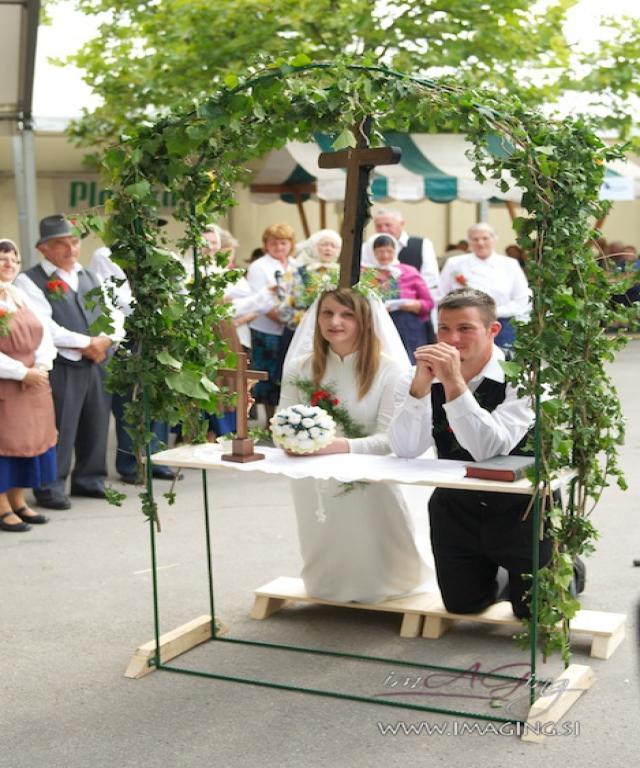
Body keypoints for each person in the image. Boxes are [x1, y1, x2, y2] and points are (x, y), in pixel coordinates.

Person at [388, 288, 551, 619]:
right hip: (455, 506)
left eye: (465, 328)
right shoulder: (415, 375)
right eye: (444, 328)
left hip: (521, 508)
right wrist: (419, 390)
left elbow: (488, 450)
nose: (452, 339)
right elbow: (406, 449)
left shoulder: (524, 376)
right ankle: (497, 574)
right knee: (464, 605)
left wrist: (454, 384)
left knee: (533, 612)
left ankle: (564, 565)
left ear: (493, 330)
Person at [278, 288, 433, 603]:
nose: (335, 322)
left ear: (365, 321)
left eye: (347, 315)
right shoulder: (299, 367)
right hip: (312, 476)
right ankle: (326, 585)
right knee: (322, 535)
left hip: (367, 476)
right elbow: (283, 419)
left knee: (369, 543)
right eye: (327, 313)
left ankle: (387, 583)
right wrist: (290, 440)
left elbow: (388, 439)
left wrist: (332, 446)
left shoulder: (389, 369)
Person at [15, 215, 124, 509]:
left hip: (99, 361)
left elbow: (114, 314)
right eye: (61, 244)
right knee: (60, 426)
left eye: (74, 242)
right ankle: (50, 486)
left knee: (96, 422)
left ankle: (90, 479)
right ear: (43, 248)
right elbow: (43, 325)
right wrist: (87, 343)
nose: (71, 249)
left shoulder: (91, 276)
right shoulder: (29, 280)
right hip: (63, 364)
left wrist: (106, 339)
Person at [89, 246, 179, 484]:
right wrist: (150, 304)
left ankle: (157, 459)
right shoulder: (106, 254)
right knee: (129, 401)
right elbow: (114, 296)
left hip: (156, 330)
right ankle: (132, 462)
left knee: (158, 395)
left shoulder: (158, 253)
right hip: (126, 332)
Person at [0, 239, 57, 531]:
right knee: (4, 446)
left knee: (27, 443)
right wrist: (21, 372)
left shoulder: (19, 295)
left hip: (34, 382)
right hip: (7, 382)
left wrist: (42, 365)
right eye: (2, 258)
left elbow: (44, 334)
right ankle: (1, 507)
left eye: (14, 259)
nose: (9, 263)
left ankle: (18, 500)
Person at [438, 223, 530, 350]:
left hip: (503, 324)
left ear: (495, 239)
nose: (480, 243)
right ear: (469, 241)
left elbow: (522, 298)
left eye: (485, 238)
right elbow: (441, 295)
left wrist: (492, 312)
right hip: (463, 326)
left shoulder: (510, 265)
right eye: (475, 239)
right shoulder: (455, 263)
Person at [246, 224, 298, 425]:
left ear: (291, 244)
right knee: (268, 374)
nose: (279, 247)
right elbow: (262, 302)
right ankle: (268, 420)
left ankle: (287, 417)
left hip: (293, 328)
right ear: (266, 244)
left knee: (288, 372)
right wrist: (285, 320)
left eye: (283, 243)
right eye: (273, 243)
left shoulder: (296, 265)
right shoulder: (259, 266)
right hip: (267, 329)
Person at [362, 233, 434, 364]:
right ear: (371, 252)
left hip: (409, 329)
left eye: (389, 251)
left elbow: (428, 303)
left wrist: (412, 305)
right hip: (376, 328)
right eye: (380, 252)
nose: (385, 256)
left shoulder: (409, 271)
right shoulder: (363, 274)